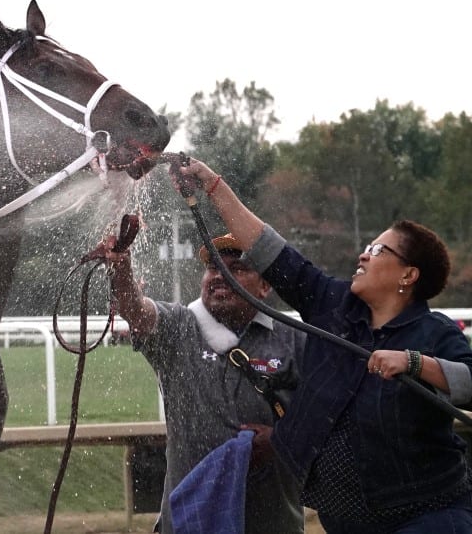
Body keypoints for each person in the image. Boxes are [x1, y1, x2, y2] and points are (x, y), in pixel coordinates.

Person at [175, 157, 472, 533]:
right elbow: (269, 250)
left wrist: (415, 363)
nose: (363, 254)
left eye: (379, 251)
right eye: (367, 246)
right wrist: (212, 186)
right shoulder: (331, 303)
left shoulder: (436, 333)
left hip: (430, 518)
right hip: (345, 522)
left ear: (408, 275)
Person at [97, 227, 306, 534]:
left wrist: (280, 440)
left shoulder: (295, 340)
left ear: (265, 286)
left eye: (237, 268)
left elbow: (325, 419)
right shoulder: (178, 327)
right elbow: (135, 310)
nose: (220, 275)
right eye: (213, 267)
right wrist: (121, 266)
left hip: (273, 523)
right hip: (186, 525)